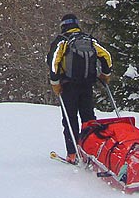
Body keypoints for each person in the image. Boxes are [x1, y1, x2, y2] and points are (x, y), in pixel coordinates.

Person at [47, 14, 113, 163]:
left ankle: (73, 154)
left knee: (70, 120)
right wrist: (105, 74)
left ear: (63, 25)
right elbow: (106, 56)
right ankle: (93, 150)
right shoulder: (89, 40)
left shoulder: (62, 41)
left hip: (68, 85)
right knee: (88, 119)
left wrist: (55, 82)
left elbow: (53, 62)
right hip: (87, 84)